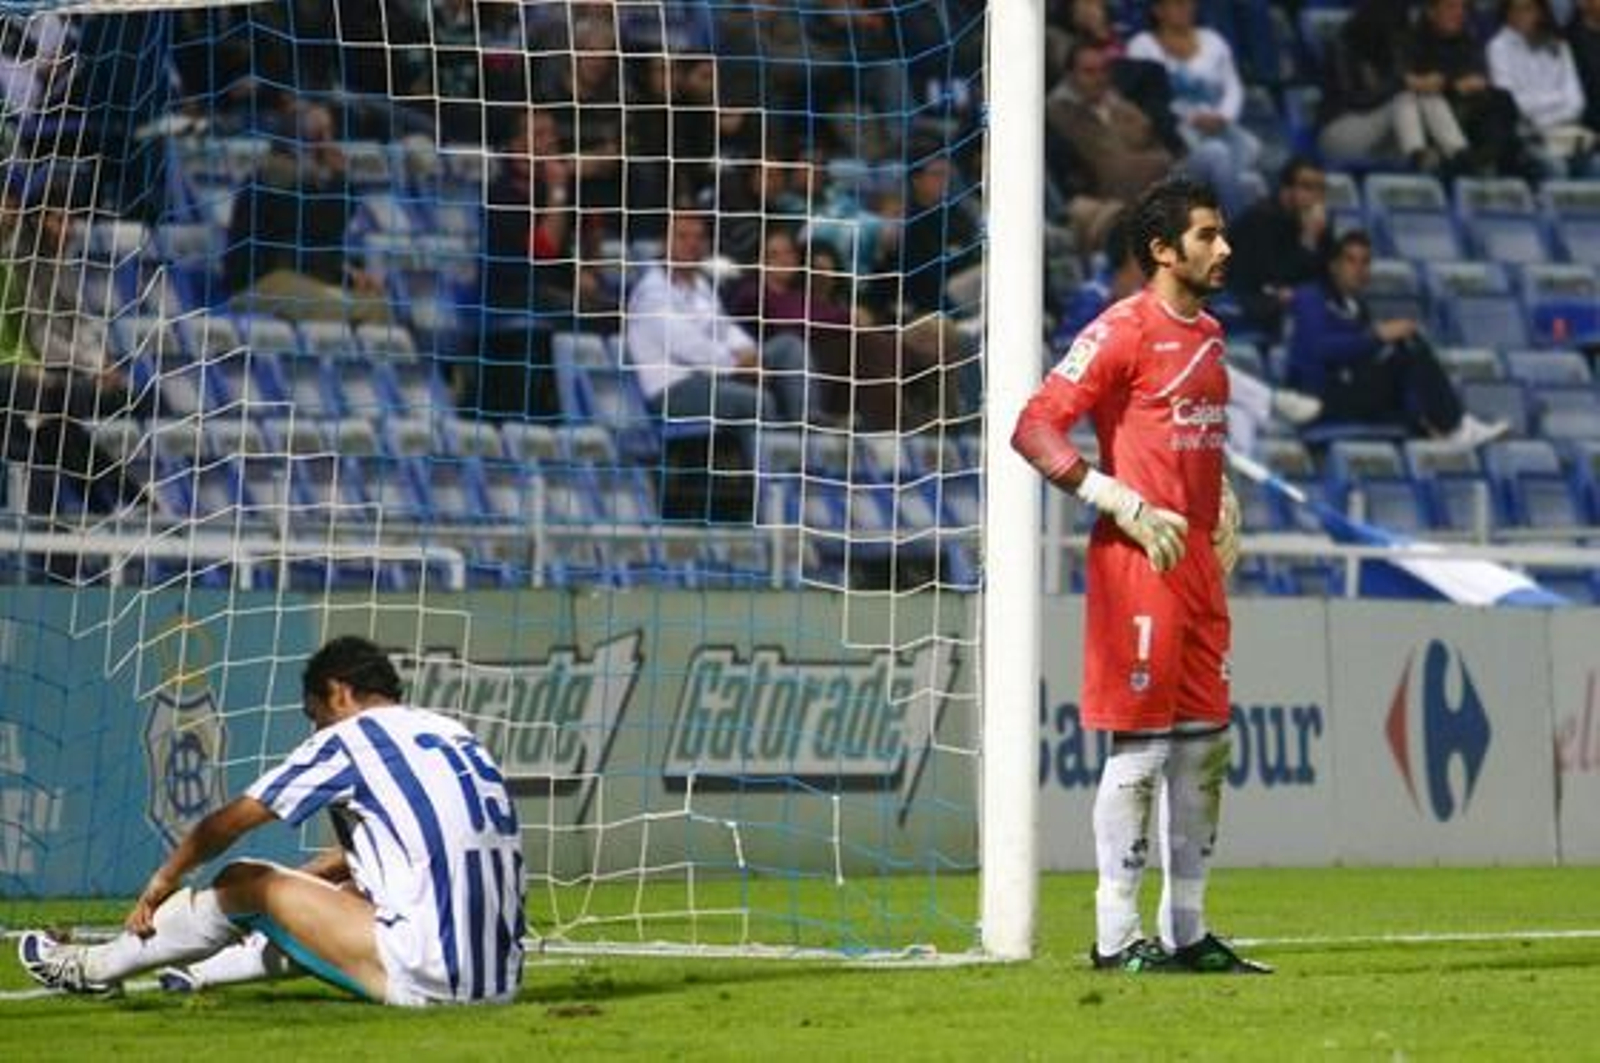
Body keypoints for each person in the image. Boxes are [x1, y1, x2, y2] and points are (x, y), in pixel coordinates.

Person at [1011, 176, 1267, 975]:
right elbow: (1034, 425)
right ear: (1162, 250)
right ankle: (1116, 937)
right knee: (1142, 752)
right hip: (1140, 558)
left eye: (1221, 234)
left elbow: (1190, 432)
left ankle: (1187, 932)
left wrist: (1220, 496)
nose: (1223, 248)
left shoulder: (1213, 335)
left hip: (1194, 560)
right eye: (1205, 236)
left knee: (1206, 751)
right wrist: (1113, 496)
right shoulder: (1120, 329)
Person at [18, 636, 527, 1006]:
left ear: (339, 692)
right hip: (500, 978)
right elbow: (405, 852)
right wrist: (307, 883)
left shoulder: (347, 739)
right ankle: (201, 971)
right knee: (347, 887)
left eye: (315, 713)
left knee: (247, 880)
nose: (314, 727)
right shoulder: (451, 733)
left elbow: (227, 823)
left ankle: (93, 969)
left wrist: (163, 881)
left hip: (430, 973)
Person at [1054, 210, 1321, 457]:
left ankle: (1227, 496)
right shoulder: (1092, 295)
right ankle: (1271, 401)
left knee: (1238, 416)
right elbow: (1071, 353)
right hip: (1105, 395)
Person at [1287, 230, 1509, 448]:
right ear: (1334, 266)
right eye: (1351, 261)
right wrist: (1376, 335)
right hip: (1319, 397)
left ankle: (1438, 424)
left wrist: (1381, 339)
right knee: (1405, 350)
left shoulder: (1358, 307)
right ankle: (1455, 427)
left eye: (1365, 262)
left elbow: (1368, 360)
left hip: (1352, 389)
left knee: (1407, 343)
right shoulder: (1311, 297)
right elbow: (1319, 349)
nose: (1359, 269)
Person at [625, 209, 809, 426]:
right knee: (758, 401)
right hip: (673, 387)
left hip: (712, 373)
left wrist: (748, 351)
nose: (692, 244)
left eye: (699, 238)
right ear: (665, 243)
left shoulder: (701, 284)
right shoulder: (651, 292)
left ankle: (806, 424)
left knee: (788, 347)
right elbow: (688, 346)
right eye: (682, 237)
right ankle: (778, 455)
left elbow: (725, 328)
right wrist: (737, 364)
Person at [224, 101, 391, 326]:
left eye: (330, 133)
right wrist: (339, 179)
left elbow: (319, 244)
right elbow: (315, 227)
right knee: (361, 309)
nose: (330, 143)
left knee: (376, 301)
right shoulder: (274, 175)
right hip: (261, 284)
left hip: (293, 277)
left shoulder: (306, 179)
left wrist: (348, 274)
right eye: (321, 135)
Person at [1125, 0, 1262, 213]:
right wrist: (1190, 119)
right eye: (1177, 3)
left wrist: (1224, 116)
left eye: (1189, 2)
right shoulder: (1141, 46)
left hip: (1217, 124)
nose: (1185, 7)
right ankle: (1236, 226)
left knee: (1253, 153)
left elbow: (1233, 86)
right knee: (1217, 153)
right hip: (1174, 131)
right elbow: (1143, 99)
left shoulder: (1213, 41)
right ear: (1157, 10)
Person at [1317, 0, 1470, 174]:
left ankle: (1457, 152)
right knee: (1405, 96)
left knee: (1426, 95)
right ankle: (1418, 154)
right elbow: (1354, 100)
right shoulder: (1342, 48)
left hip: (1383, 138)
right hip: (1340, 131)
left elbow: (1409, 82)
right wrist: (1403, 83)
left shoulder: (1391, 53)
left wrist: (1425, 83)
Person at [1408, 0, 1533, 177]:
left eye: (1462, 8)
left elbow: (1478, 78)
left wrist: (1465, 84)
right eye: (1451, 7)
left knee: (1502, 99)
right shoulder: (1416, 41)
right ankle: (1489, 161)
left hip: (1468, 110)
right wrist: (1454, 86)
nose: (1459, 13)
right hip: (1431, 115)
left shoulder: (1467, 41)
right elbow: (1419, 84)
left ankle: (1492, 159)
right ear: (1431, 12)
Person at [1225, 157, 1334, 342]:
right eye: (1308, 187)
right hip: (1242, 298)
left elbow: (1328, 275)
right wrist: (1308, 241)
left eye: (1320, 188)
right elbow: (1273, 277)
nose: (1316, 195)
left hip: (1289, 301)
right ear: (1286, 190)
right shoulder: (1261, 219)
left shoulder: (1318, 223)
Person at [1488, 0, 1596, 175]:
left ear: (1539, 12)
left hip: (1565, 131)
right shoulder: (1498, 47)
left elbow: (1576, 100)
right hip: (1527, 136)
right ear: (1507, 13)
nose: (1522, 15)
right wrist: (1556, 100)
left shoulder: (1559, 45)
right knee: (1555, 168)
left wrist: (1545, 107)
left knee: (1596, 165)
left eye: (1528, 9)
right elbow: (1514, 104)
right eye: (1516, 9)